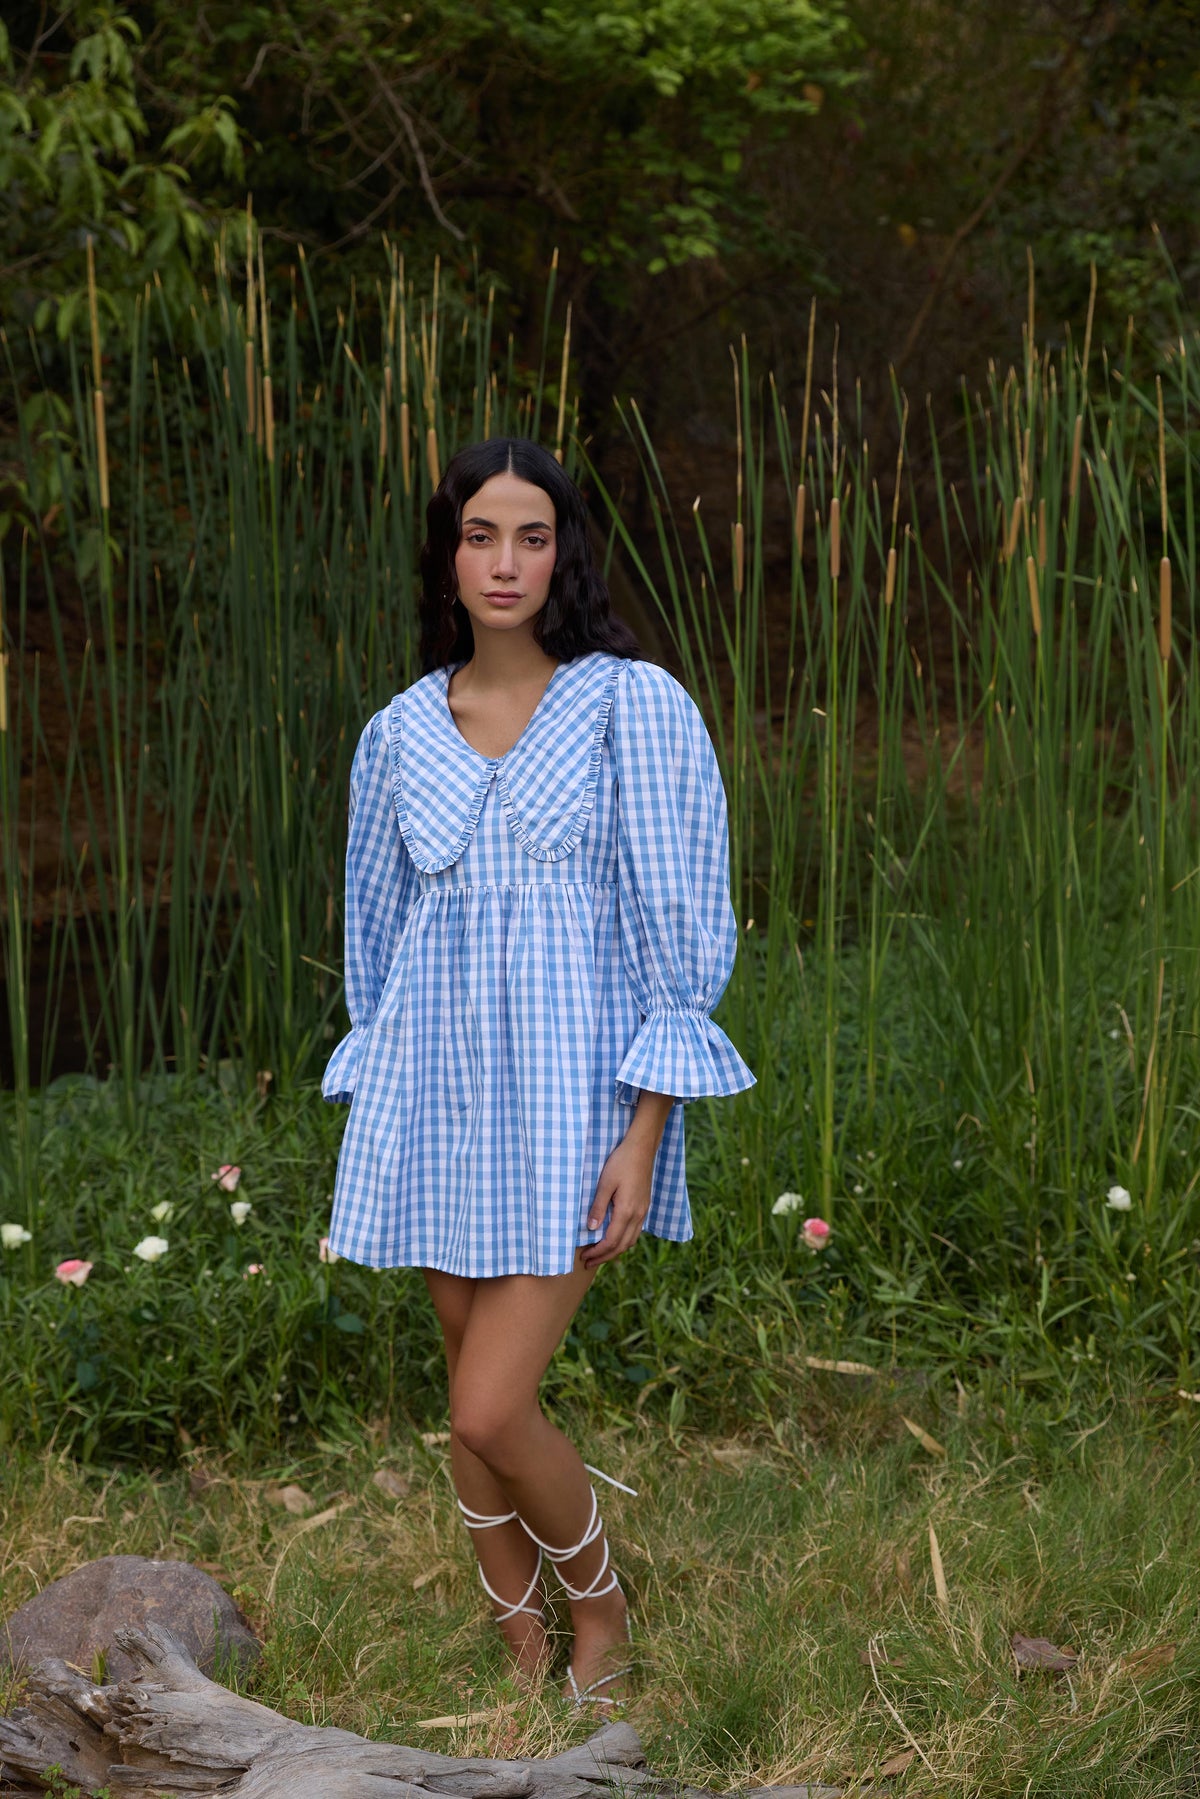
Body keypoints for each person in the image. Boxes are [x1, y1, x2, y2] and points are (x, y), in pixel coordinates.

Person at [322, 437, 755, 1705]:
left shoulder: (633, 702)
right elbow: (379, 937)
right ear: (446, 557)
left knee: (488, 1411)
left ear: (563, 552)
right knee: (465, 1390)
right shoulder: (396, 733)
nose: (503, 561)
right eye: (478, 535)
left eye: (530, 534)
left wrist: (644, 1129)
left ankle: (602, 1614)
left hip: (575, 1096)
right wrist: (382, 1103)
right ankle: (520, 1648)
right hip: (439, 1094)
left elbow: (677, 920)